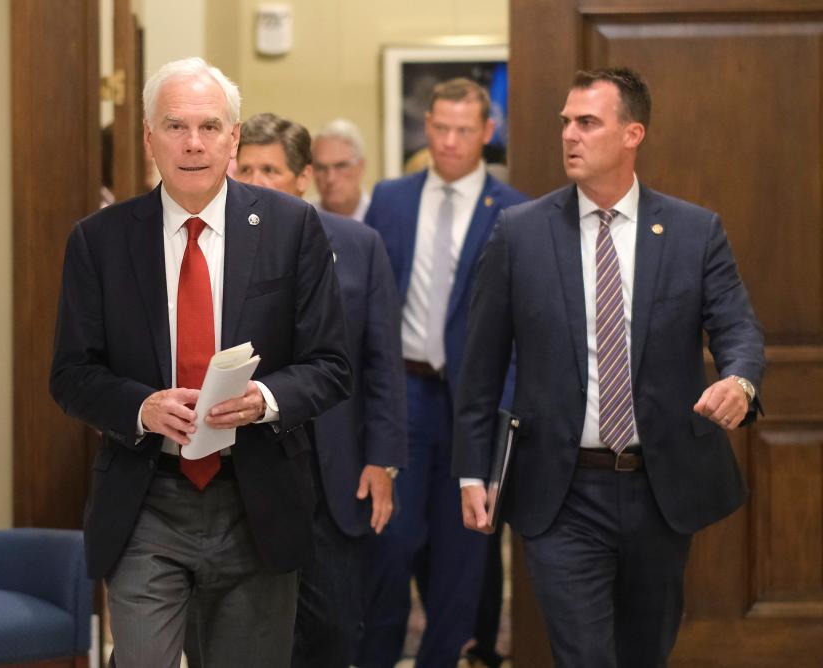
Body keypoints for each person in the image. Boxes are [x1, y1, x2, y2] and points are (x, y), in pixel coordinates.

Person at [453, 67, 765, 667]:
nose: (569, 134)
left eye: (587, 122)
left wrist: (740, 379)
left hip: (660, 483)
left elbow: (737, 327)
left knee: (646, 650)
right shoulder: (520, 233)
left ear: (632, 134)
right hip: (559, 488)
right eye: (565, 122)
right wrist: (473, 470)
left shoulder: (693, 232)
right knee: (583, 655)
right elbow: (481, 365)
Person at [49, 57, 351, 668]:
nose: (193, 144)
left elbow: (330, 363)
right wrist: (140, 406)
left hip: (257, 501)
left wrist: (264, 400)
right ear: (148, 139)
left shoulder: (292, 228)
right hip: (146, 500)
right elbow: (71, 374)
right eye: (175, 126)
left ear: (234, 138)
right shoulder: (99, 241)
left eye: (211, 127)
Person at [357, 78, 528, 668]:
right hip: (401, 393)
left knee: (462, 554)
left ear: (487, 133)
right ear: (425, 127)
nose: (450, 142)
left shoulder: (516, 212)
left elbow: (519, 329)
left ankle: (444, 658)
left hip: (471, 404)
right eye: (440, 128)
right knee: (390, 540)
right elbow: (371, 301)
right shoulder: (390, 197)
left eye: (464, 130)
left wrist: (504, 412)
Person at [233, 111, 408, 667]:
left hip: (334, 470)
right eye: (247, 169)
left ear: (302, 177)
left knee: (332, 630)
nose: (256, 183)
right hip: (247, 468)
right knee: (254, 632)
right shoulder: (215, 248)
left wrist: (383, 460)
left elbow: (382, 362)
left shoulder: (359, 245)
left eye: (271, 170)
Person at [312, 118, 371, 221]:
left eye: (340, 166)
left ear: (360, 166)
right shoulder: (303, 220)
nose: (330, 178)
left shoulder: (382, 217)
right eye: (321, 168)